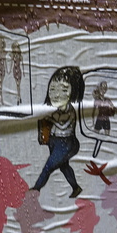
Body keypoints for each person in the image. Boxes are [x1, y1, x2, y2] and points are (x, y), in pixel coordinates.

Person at [32, 66, 84, 198]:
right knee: (64, 166)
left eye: (64, 90)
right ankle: (76, 187)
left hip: (65, 143)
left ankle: (36, 189)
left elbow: (63, 125)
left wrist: (52, 120)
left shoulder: (70, 111)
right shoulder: (56, 111)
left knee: (48, 167)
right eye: (53, 89)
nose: (56, 94)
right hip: (54, 141)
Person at [8, 40, 24, 105]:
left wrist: (24, 71)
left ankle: (18, 97)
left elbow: (22, 64)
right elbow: (11, 63)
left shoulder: (20, 56)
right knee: (17, 84)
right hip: (15, 70)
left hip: (19, 70)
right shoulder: (13, 56)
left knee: (18, 84)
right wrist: (9, 70)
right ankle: (19, 97)